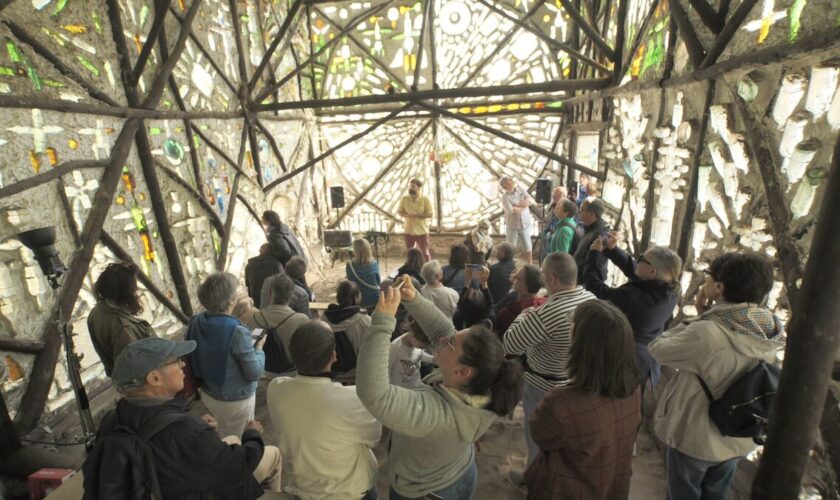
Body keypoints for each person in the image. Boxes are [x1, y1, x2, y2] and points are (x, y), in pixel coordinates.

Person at [356, 276, 523, 500]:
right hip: (460, 470)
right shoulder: (487, 382)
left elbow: (375, 395)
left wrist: (382, 323)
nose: (444, 339)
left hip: (426, 491)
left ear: (461, 372)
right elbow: (444, 332)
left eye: (450, 342)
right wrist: (414, 299)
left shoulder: (436, 415)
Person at [649, 253, 785, 500]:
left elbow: (657, 349)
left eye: (708, 277)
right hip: (737, 436)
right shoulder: (769, 328)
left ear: (719, 287)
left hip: (696, 437)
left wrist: (700, 317)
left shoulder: (706, 331)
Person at [83, 337, 281, 500]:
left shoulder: (112, 419)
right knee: (272, 454)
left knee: (232, 441)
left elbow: (163, 445)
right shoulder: (185, 432)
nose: (182, 364)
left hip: (155, 487)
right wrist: (252, 435)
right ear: (155, 378)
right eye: (175, 361)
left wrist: (197, 431)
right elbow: (237, 467)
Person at [525, 300, 642, 500]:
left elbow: (539, 435)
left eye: (573, 327)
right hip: (611, 483)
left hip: (566, 490)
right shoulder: (633, 387)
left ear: (583, 343)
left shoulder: (561, 402)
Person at [267, 322, 381, 500]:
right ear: (334, 356)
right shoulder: (353, 400)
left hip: (302, 488)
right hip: (350, 493)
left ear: (292, 355)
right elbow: (374, 438)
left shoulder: (275, 388)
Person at [503, 252, 596, 469]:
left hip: (543, 386)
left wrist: (524, 315)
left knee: (538, 436)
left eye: (545, 275)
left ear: (552, 279)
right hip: (576, 381)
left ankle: (536, 480)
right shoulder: (590, 299)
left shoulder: (546, 313)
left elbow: (510, 345)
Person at [584, 234, 682, 388]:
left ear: (652, 271)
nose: (638, 259)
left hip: (625, 360)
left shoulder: (632, 298)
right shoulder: (671, 289)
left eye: (642, 258)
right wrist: (613, 250)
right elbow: (634, 270)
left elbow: (596, 288)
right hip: (646, 359)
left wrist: (594, 254)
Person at [187, 273, 265, 438]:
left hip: (209, 392)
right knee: (239, 438)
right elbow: (255, 373)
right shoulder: (237, 331)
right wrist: (259, 348)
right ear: (231, 300)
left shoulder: (195, 320)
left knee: (223, 429)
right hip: (236, 399)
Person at [87, 262, 157, 376]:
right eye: (133, 288)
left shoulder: (96, 312)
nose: (136, 291)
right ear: (125, 292)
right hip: (143, 384)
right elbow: (132, 369)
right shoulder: (122, 327)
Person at [244, 274, 308, 375]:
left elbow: (249, 347)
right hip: (293, 376)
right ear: (291, 295)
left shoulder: (256, 318)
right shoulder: (302, 320)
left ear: (270, 292)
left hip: (263, 376)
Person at [323, 281, 372, 379]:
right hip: (357, 374)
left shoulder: (324, 318)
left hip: (330, 372)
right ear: (357, 297)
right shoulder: (365, 321)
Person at [494, 265, 547, 336]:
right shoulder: (544, 305)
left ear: (524, 287)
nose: (513, 279)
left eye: (517, 278)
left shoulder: (507, 314)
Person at [389, 317, 434, 389]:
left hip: (416, 385)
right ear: (413, 335)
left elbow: (419, 355)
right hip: (400, 390)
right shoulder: (394, 348)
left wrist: (433, 360)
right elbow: (387, 371)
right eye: (421, 346)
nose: (423, 349)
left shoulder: (415, 343)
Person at [499, 176, 534, 264]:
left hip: (525, 224)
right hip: (512, 226)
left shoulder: (520, 189)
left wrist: (517, 205)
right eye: (509, 182)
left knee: (528, 246)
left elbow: (529, 201)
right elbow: (511, 211)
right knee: (510, 248)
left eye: (511, 180)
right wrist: (524, 206)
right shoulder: (504, 197)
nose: (511, 182)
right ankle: (508, 264)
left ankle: (530, 263)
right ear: (505, 186)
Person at [398, 178, 434, 262]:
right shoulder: (404, 198)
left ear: (419, 188)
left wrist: (417, 215)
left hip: (422, 231)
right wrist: (406, 215)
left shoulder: (425, 199)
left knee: (424, 252)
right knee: (409, 252)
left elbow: (430, 214)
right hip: (408, 230)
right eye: (409, 186)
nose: (410, 188)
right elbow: (399, 211)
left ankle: (428, 268)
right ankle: (411, 269)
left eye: (413, 186)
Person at [573, 198, 608, 282]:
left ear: (592, 214)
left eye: (582, 209)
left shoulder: (599, 235)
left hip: (587, 284)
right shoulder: (588, 228)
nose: (579, 211)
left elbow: (594, 264)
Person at [244, 244, 284, 309]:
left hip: (255, 300)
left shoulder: (250, 265)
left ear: (260, 251)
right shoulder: (276, 264)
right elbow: (283, 283)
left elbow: (247, 284)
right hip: (272, 301)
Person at [346, 238, 381, 309]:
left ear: (355, 250)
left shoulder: (350, 265)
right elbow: (378, 282)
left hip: (359, 301)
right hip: (375, 300)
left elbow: (351, 284)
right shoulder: (374, 264)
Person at [539, 186, 568, 259]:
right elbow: (549, 220)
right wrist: (544, 223)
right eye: (553, 194)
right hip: (547, 242)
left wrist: (549, 235)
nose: (554, 196)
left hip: (553, 245)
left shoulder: (567, 208)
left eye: (556, 195)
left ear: (563, 196)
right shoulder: (552, 205)